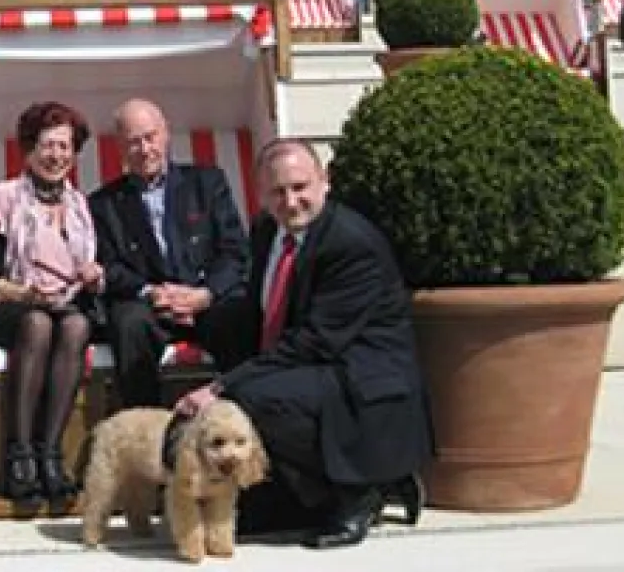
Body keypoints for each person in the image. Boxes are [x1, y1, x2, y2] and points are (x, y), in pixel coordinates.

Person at [175, 138, 433, 550]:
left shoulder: (351, 244)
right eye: (278, 192)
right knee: (226, 326)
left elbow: (314, 341)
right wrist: (195, 316)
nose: (291, 201)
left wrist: (221, 386)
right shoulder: (266, 230)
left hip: (362, 376)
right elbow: (262, 304)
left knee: (254, 397)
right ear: (261, 195)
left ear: (325, 182)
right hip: (314, 360)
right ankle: (293, 497)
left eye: (300, 187)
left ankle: (358, 491)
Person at [0, 101, 104, 509]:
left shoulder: (80, 206)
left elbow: (83, 275)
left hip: (62, 306)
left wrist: (92, 274)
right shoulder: (2, 196)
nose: (56, 156)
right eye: (47, 145)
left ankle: (51, 455)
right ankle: (19, 456)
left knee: (75, 326)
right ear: (28, 148)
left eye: (64, 147)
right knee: (39, 323)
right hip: (1, 307)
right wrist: (29, 296)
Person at [87, 98, 250, 409]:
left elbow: (234, 251)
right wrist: (151, 293)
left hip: (205, 297)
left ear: (166, 134)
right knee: (129, 323)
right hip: (148, 304)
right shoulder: (103, 204)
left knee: (237, 315)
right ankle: (146, 423)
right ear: (120, 147)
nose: (145, 149)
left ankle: (240, 415)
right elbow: (110, 266)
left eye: (150, 137)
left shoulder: (207, 182)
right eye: (134, 142)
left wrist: (205, 294)